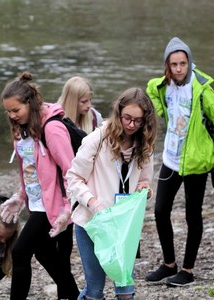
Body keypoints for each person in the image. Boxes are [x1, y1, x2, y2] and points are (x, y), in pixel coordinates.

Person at [144, 37, 214, 286]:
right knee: (161, 211)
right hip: (171, 160)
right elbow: (152, 92)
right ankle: (169, 264)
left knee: (192, 216)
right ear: (167, 66)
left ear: (189, 62)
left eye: (183, 63)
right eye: (174, 64)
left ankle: (188, 270)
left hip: (197, 164)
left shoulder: (202, 90)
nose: (179, 68)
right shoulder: (164, 86)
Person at [66, 87, 157, 300]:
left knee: (125, 289)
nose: (131, 125)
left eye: (138, 120)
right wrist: (94, 203)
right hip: (92, 223)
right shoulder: (96, 140)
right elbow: (73, 178)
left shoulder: (145, 144)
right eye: (127, 118)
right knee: (95, 290)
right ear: (118, 113)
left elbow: (144, 179)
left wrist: (145, 188)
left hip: (124, 227)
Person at [0, 71, 80, 300]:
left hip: (54, 204)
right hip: (36, 202)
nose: (12, 116)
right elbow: (28, 168)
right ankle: (74, 296)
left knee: (20, 252)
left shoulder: (52, 129)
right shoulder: (22, 128)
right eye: (8, 111)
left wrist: (66, 209)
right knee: (46, 255)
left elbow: (70, 170)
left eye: (16, 110)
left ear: (31, 103)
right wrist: (20, 196)